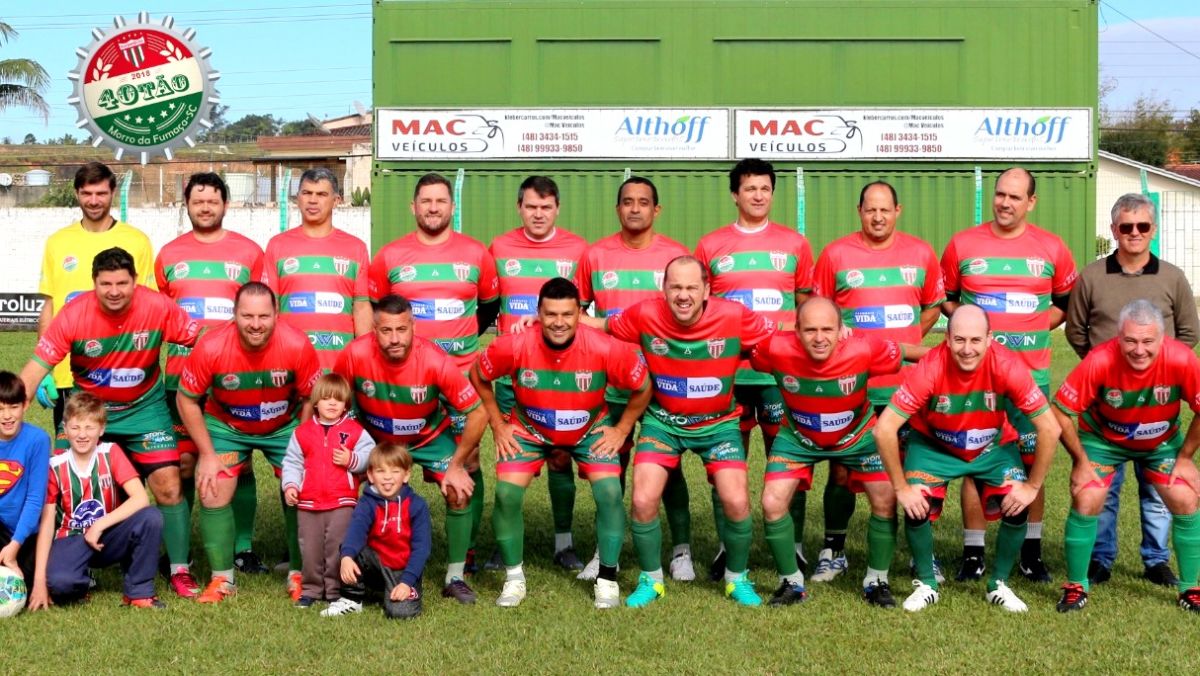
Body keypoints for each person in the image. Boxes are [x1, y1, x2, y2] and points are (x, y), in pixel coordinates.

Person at [591, 255, 775, 607]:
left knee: (736, 501)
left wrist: (835, 329)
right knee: (643, 500)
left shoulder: (734, 316)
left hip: (719, 425)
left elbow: (786, 337)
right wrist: (540, 322)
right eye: (675, 287)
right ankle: (651, 580)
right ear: (663, 289)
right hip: (664, 423)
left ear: (707, 290)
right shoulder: (645, 314)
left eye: (692, 287)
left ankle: (737, 579)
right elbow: (600, 325)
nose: (683, 295)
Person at [19, 247, 199, 598]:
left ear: (136, 282)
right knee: (56, 485)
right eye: (106, 284)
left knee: (168, 485)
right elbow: (34, 369)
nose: (114, 291)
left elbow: (202, 340)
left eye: (122, 283)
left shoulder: (158, 307)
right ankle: (66, 564)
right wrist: (11, 406)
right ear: (93, 284)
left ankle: (179, 569)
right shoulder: (73, 315)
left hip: (145, 408)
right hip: (89, 412)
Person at [471, 277, 651, 609]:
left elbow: (642, 386)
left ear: (580, 313)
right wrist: (498, 424)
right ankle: (513, 579)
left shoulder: (604, 347)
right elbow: (478, 375)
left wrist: (622, 429)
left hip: (589, 430)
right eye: (551, 314)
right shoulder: (514, 344)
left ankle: (608, 579)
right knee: (507, 493)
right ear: (538, 313)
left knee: (610, 492)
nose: (559, 322)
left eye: (567, 314)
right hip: (529, 429)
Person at [875, 305, 1060, 612]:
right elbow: (884, 429)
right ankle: (927, 584)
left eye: (975, 340)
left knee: (1015, 502)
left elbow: (1050, 428)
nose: (967, 349)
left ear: (990, 338)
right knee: (917, 503)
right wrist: (901, 489)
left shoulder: (1008, 365)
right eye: (959, 340)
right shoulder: (931, 367)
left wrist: (1031, 486)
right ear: (946, 339)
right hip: (934, 446)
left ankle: (998, 584)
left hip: (991, 447)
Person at [940, 167, 1077, 582]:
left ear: (1031, 202)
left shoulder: (1052, 248)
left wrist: (1035, 326)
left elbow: (1065, 304)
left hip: (1031, 377)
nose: (1005, 203)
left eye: (1015, 197)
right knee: (974, 458)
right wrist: (973, 333)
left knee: (1034, 460)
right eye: (1000, 194)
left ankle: (1030, 552)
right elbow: (946, 300)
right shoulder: (963, 244)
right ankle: (973, 552)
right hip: (975, 380)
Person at [750, 297, 927, 607]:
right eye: (811, 330)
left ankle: (877, 580)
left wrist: (956, 353)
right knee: (771, 501)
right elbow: (739, 350)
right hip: (797, 438)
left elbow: (908, 353)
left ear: (841, 328)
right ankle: (791, 583)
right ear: (796, 330)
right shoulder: (774, 347)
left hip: (857, 437)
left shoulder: (863, 347)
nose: (819, 338)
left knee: (885, 499)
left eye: (828, 329)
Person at [811, 180, 944, 582]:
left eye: (885, 209)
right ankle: (833, 548)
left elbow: (932, 308)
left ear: (897, 211)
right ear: (859, 211)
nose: (878, 216)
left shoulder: (921, 253)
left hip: (907, 385)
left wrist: (903, 346)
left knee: (915, 469)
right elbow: (822, 312)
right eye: (870, 209)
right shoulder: (835, 254)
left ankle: (923, 553)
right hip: (854, 386)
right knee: (841, 469)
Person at [1065, 193, 1199, 587]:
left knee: (1159, 491)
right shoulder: (1091, 276)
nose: (1134, 233)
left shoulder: (1172, 276)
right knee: (1102, 490)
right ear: (1114, 231)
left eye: (1142, 226)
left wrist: (1157, 371)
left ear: (1152, 230)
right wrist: (1106, 371)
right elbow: (1076, 330)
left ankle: (1156, 560)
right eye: (1126, 227)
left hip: (1157, 407)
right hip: (1107, 407)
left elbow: (1188, 332)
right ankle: (1100, 560)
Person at [367, 172, 499, 571]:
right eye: (426, 201)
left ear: (452, 207)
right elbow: (377, 311)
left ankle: (468, 549)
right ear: (413, 207)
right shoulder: (389, 257)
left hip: (459, 375)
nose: (433, 207)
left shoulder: (477, 254)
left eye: (441, 201)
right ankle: (385, 542)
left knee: (469, 459)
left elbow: (489, 307)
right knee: (388, 460)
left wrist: (460, 345)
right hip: (405, 381)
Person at [695, 158, 814, 580]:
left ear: (772, 193)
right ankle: (728, 546)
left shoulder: (795, 244)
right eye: (749, 189)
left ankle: (795, 546)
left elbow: (804, 309)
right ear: (735, 194)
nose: (758, 196)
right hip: (728, 374)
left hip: (779, 375)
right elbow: (703, 308)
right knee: (726, 463)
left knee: (790, 460)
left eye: (764, 188)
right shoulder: (710, 246)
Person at [575, 176, 695, 582]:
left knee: (670, 467)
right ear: (618, 208)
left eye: (644, 202)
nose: (635, 208)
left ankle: (681, 550)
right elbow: (575, 314)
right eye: (628, 201)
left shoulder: (676, 255)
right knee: (609, 465)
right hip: (610, 382)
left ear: (656, 210)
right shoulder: (595, 255)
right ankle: (603, 551)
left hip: (665, 381)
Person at [333, 294, 486, 604]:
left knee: (458, 490)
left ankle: (455, 576)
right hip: (376, 440)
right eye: (386, 331)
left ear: (413, 326)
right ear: (373, 329)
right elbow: (333, 399)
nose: (394, 339)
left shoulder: (434, 359)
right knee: (337, 483)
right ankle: (343, 566)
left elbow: (478, 412)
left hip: (426, 438)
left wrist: (456, 465)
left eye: (401, 329)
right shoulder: (354, 354)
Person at [155, 171, 270, 581]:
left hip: (235, 377)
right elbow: (163, 316)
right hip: (180, 376)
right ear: (186, 204)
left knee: (237, 461)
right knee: (182, 462)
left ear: (226, 204)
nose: (205, 207)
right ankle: (178, 551)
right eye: (197, 200)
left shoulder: (250, 252)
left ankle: (242, 548)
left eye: (213, 200)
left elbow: (261, 312)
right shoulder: (168, 254)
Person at [176, 282, 322, 603]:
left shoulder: (297, 344)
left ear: (276, 315)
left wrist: (302, 445)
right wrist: (208, 454)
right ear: (234, 315)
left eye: (263, 316)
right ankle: (222, 579)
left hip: (284, 425)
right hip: (227, 426)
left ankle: (299, 574)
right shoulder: (212, 346)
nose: (256, 324)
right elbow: (186, 400)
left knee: (306, 485)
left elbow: (311, 397)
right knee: (213, 487)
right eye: (247, 316)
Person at [1052, 299, 1200, 612]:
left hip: (1160, 443)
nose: (1139, 350)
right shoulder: (1099, 360)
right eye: (1130, 341)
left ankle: (1190, 589)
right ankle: (1077, 585)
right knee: (1087, 495)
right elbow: (1060, 412)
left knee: (1186, 497)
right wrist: (1080, 461)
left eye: (1148, 341)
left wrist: (1185, 458)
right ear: (1118, 337)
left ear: (1162, 338)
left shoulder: (1181, 358)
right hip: (1103, 441)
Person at [488, 176, 590, 572]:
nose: (538, 214)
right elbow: (486, 302)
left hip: (562, 372)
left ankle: (563, 543)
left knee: (561, 457)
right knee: (510, 458)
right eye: (531, 207)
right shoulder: (499, 248)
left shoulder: (578, 250)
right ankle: (504, 543)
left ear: (557, 209)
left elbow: (585, 310)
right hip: (514, 374)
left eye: (546, 208)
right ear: (520, 207)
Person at [37, 162, 155, 429]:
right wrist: (44, 368)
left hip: (124, 371)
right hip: (70, 374)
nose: (93, 201)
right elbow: (51, 305)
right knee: (76, 457)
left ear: (113, 192)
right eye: (86, 193)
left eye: (101, 193)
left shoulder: (137, 241)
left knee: (127, 460)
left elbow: (148, 306)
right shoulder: (57, 242)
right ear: (77, 193)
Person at [28, 393, 165, 610]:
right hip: (71, 539)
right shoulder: (55, 465)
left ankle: (138, 591)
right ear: (65, 428)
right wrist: (39, 583)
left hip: (107, 535)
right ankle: (80, 581)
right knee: (60, 585)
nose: (82, 435)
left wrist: (98, 525)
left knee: (151, 517)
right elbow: (46, 525)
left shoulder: (111, 453)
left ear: (101, 429)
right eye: (75, 428)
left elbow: (141, 498)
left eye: (89, 428)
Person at [280, 373, 375, 608]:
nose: (332, 403)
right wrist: (291, 485)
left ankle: (335, 590)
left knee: (337, 547)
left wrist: (352, 459)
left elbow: (370, 457)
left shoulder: (354, 431)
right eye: (326, 398)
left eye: (338, 399)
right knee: (310, 548)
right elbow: (292, 463)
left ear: (346, 404)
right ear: (315, 403)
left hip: (342, 501)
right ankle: (311, 589)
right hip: (309, 502)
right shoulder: (302, 433)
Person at [265, 167, 372, 370]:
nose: (313, 200)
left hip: (339, 368)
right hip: (290, 365)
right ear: (298, 198)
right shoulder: (277, 245)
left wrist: (364, 358)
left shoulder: (355, 248)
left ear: (336, 200)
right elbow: (271, 307)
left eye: (321, 194)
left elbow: (361, 306)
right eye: (306, 193)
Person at [322, 442, 431, 620]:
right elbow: (356, 532)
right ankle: (352, 598)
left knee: (401, 613)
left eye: (395, 471)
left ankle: (390, 590)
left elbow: (422, 549)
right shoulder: (367, 502)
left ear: (406, 475)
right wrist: (346, 557)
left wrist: (406, 582)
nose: (388, 477)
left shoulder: (417, 506)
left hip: (403, 569)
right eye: (381, 471)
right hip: (376, 562)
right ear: (371, 476)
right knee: (349, 550)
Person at [0, 371, 50, 584]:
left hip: (25, 533)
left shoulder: (38, 440)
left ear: (25, 405)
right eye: (0, 409)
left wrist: (14, 546)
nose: (7, 416)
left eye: (13, 407)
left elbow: (35, 499)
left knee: (56, 585)